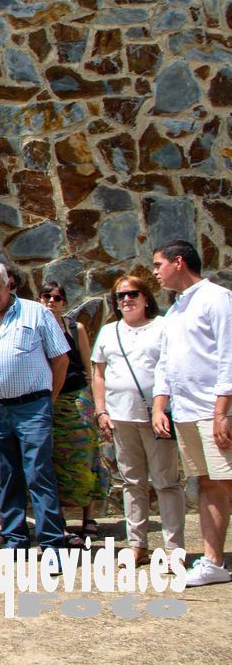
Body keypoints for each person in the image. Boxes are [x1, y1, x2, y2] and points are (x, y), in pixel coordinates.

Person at [0, 261, 70, 561]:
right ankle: (15, 542)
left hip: (32, 407)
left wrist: (48, 399)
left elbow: (61, 359)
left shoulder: (36, 313)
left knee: (39, 474)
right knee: (6, 475)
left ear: (8, 284)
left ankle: (53, 545)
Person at [152, 239, 232, 586]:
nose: (155, 272)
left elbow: (229, 356)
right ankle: (213, 561)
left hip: (212, 410)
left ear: (179, 262)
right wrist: (159, 404)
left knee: (224, 480)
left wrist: (222, 411)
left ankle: (214, 560)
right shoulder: (174, 310)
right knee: (208, 483)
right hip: (185, 412)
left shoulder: (217, 299)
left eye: (158, 265)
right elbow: (165, 362)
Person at [91, 274, 182, 567]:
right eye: (120, 296)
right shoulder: (108, 332)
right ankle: (137, 546)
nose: (126, 300)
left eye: (132, 294)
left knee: (167, 482)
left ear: (145, 298)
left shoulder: (163, 326)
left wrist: (162, 406)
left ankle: (173, 550)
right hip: (121, 417)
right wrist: (101, 410)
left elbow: (170, 369)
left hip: (157, 417)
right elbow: (99, 373)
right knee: (132, 483)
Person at [39, 280, 106, 545]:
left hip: (76, 397)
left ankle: (89, 517)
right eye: (46, 297)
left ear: (64, 302)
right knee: (54, 459)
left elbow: (87, 369)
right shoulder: (37, 330)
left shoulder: (75, 329)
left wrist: (93, 403)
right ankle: (61, 521)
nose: (51, 302)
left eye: (57, 298)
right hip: (49, 399)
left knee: (85, 456)